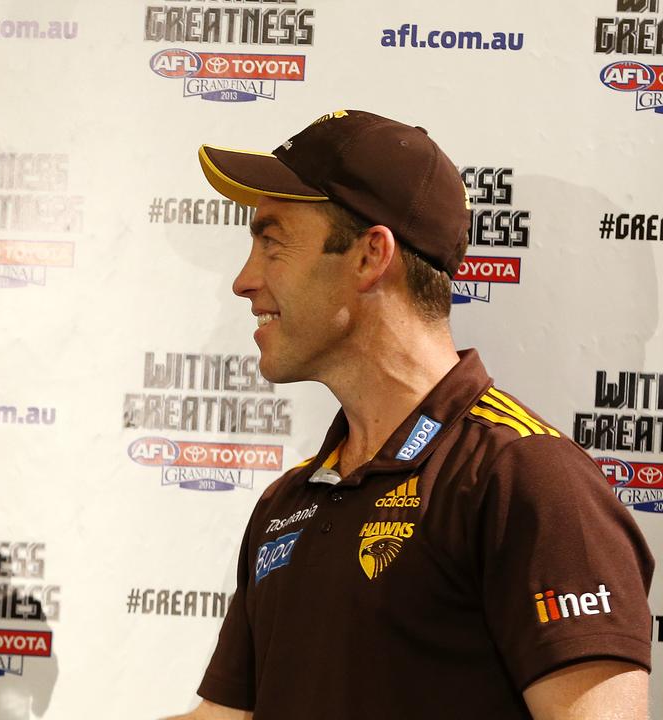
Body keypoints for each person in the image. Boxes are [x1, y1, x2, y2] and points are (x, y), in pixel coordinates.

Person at [168, 110, 653, 719]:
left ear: (371, 256)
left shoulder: (525, 479)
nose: (244, 281)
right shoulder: (286, 502)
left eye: (272, 242)